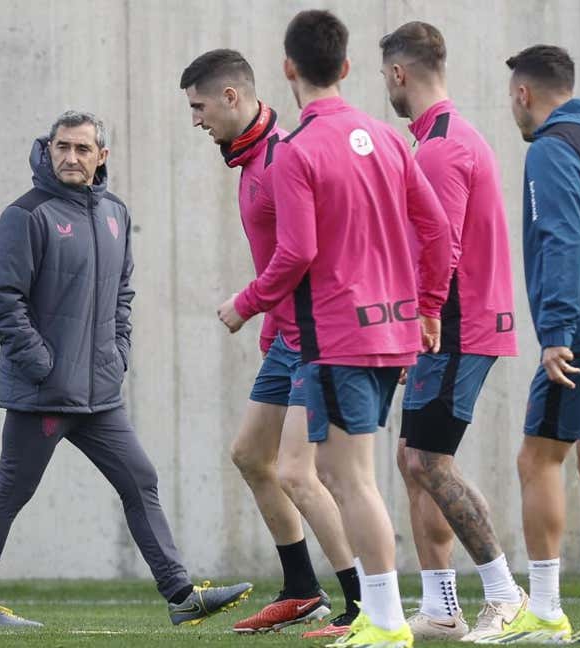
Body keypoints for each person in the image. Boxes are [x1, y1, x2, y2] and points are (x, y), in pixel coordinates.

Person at [0, 109, 252, 630]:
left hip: (100, 395)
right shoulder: (25, 215)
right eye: (61, 147)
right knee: (11, 493)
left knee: (140, 480)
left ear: (102, 157)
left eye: (82, 149)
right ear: (47, 149)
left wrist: (118, 352)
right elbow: (1, 305)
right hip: (44, 394)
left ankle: (181, 596)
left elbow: (122, 295)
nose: (70, 157)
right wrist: (45, 366)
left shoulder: (114, 213)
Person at [217, 10, 451, 648]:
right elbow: (436, 230)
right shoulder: (389, 137)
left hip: (338, 338)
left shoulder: (295, 150)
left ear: (288, 68)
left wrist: (246, 303)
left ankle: (383, 620)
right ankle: (371, 614)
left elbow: (295, 254)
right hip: (391, 334)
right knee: (344, 476)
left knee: (350, 481)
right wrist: (428, 306)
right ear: (347, 67)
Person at [179, 48, 360, 638]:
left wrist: (248, 304)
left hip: (317, 336)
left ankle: (364, 607)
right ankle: (302, 591)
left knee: (298, 473)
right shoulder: (250, 159)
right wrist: (270, 323)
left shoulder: (283, 156)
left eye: (200, 107)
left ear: (232, 96)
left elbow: (305, 253)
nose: (197, 119)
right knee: (251, 456)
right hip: (286, 334)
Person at [479, 45, 580, 645]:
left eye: (511, 98)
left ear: (524, 94)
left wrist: (557, 333)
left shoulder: (553, 148)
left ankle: (544, 612)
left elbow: (560, 238)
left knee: (537, 460)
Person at [378, 21, 527, 642]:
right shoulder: (442, 138)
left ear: (397, 74)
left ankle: (505, 593)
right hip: (453, 321)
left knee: (429, 461)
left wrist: (422, 320)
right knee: (413, 461)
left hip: (458, 323)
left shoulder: (440, 147)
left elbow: (443, 245)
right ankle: (442, 607)